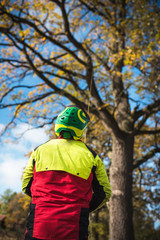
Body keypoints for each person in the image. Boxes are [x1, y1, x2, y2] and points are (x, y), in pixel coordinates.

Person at [22, 105, 111, 240]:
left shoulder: (39, 150)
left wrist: (42, 199)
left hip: (39, 226)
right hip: (74, 230)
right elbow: (104, 193)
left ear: (59, 124)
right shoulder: (92, 156)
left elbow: (26, 185)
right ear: (81, 129)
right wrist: (84, 209)